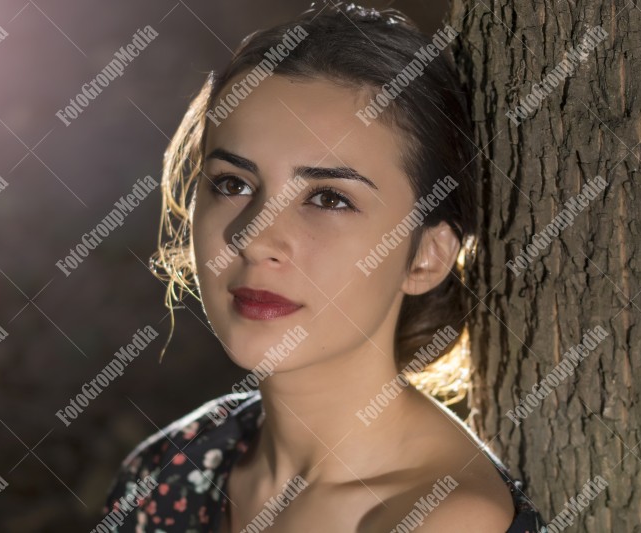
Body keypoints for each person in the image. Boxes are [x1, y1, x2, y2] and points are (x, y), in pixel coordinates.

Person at [102, 2, 547, 531]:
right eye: (232, 183)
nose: (253, 237)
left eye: (330, 198)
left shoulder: (444, 520)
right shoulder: (162, 471)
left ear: (427, 255)